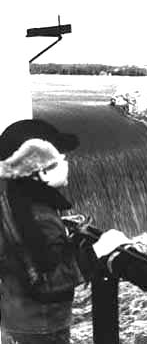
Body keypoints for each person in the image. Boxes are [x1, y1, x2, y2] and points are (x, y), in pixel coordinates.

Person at [0, 119, 131, 344]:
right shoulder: (39, 217)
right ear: (41, 174)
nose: (68, 164)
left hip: (18, 319)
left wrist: (64, 231)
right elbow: (49, 281)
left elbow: (25, 254)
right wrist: (99, 248)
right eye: (62, 159)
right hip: (44, 327)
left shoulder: (14, 201)